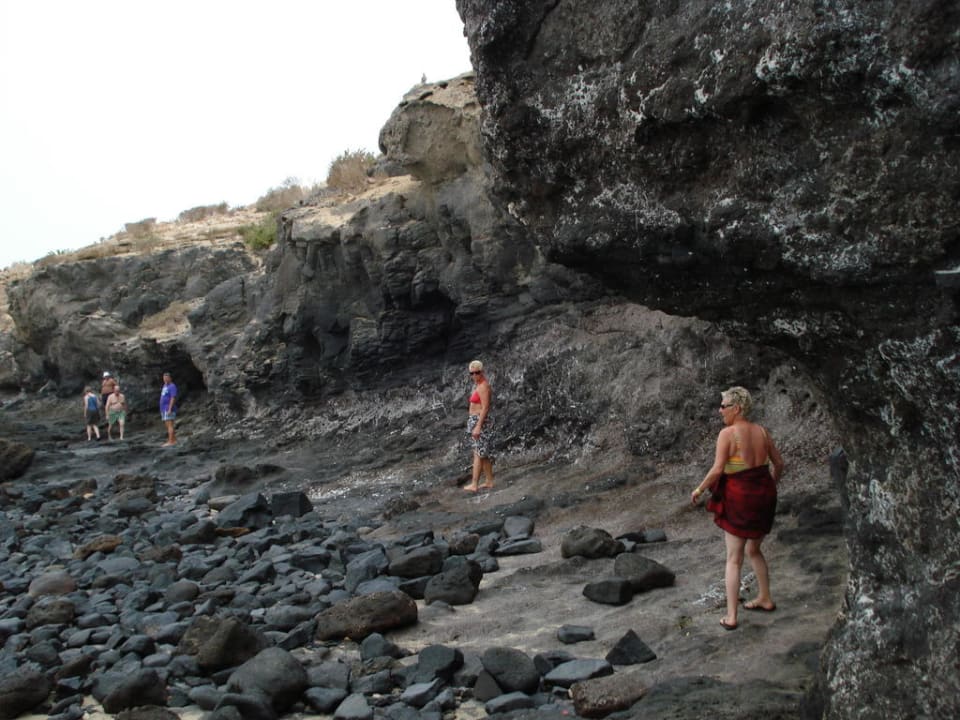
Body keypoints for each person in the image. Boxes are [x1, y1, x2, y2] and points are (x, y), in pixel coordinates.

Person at [691, 386, 784, 631]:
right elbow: (780, 463)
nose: (720, 410)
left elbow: (717, 469)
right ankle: (765, 598)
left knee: (734, 559)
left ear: (737, 408)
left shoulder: (728, 434)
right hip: (764, 495)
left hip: (740, 498)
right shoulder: (762, 432)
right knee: (754, 548)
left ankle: (731, 616)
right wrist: (770, 484)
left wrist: (699, 490)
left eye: (723, 406)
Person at [464, 360, 495, 492]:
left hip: (479, 421)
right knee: (482, 453)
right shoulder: (479, 385)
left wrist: (478, 426)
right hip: (475, 420)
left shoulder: (483, 386)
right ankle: (489, 481)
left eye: (477, 373)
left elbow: (485, 408)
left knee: (477, 453)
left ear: (482, 372)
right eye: (472, 373)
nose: (474, 376)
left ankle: (474, 484)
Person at [159, 372, 177, 446]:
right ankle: (174, 440)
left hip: (168, 408)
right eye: (164, 378)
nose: (165, 379)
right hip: (163, 409)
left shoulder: (172, 386)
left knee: (170, 425)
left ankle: (170, 442)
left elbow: (173, 398)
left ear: (170, 378)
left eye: (166, 378)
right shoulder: (165, 386)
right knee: (168, 425)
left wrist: (170, 409)